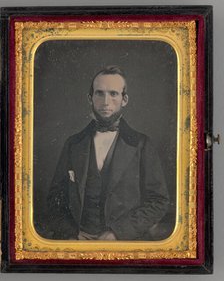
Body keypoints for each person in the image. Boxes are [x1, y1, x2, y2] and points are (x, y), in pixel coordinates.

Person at [47, 65, 169, 241]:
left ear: (124, 99)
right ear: (90, 98)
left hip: (124, 242)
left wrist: (117, 232)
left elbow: (159, 201)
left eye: (113, 94)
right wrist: (71, 233)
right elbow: (54, 199)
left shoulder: (142, 144)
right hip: (78, 240)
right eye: (99, 93)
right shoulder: (73, 144)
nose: (106, 102)